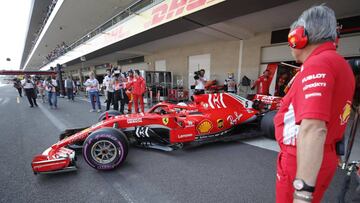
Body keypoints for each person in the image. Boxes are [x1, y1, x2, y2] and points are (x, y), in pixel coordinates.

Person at [273, 5, 355, 203]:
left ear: (299, 37)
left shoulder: (317, 64)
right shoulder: (339, 64)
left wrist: (302, 193)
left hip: (300, 157)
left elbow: (313, 129)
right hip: (322, 154)